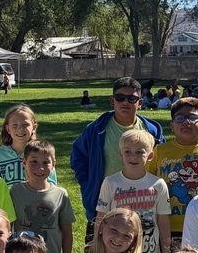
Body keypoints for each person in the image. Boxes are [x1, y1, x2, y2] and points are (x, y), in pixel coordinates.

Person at [70, 77, 164, 244]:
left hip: (142, 203)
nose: (125, 103)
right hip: (105, 203)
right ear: (112, 100)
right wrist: (88, 185)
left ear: (140, 101)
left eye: (132, 99)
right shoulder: (96, 129)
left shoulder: (152, 130)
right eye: (120, 98)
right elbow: (78, 158)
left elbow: (160, 162)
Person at [97, 130, 171, 253]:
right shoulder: (110, 182)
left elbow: (163, 221)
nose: (133, 157)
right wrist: (98, 251)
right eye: (128, 152)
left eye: (140, 152)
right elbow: (101, 218)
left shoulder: (158, 184)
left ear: (150, 156)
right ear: (121, 154)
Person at [146, 97, 198, 245]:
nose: (186, 122)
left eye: (193, 117)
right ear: (172, 126)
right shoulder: (158, 152)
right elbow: (145, 184)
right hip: (167, 226)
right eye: (180, 118)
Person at [10, 140, 75, 253]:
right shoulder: (15, 192)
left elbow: (67, 232)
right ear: (24, 162)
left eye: (46, 162)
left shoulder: (60, 194)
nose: (40, 167)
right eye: (34, 162)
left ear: (53, 165)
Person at [0, 104, 59, 188]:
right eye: (15, 125)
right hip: (6, 201)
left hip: (36, 200)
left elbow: (52, 185)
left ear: (34, 127)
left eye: (25, 125)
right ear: (8, 129)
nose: (20, 129)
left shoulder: (42, 154)